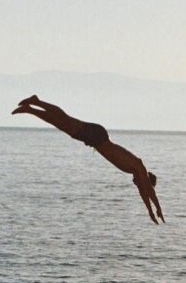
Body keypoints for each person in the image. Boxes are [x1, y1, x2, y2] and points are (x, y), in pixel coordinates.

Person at [12, 95, 165, 224]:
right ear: (146, 180)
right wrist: (157, 208)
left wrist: (150, 212)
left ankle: (31, 108)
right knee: (64, 121)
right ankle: (36, 103)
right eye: (141, 184)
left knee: (62, 123)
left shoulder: (135, 172)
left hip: (96, 138)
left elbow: (143, 193)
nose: (137, 185)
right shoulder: (139, 167)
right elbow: (149, 192)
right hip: (97, 136)